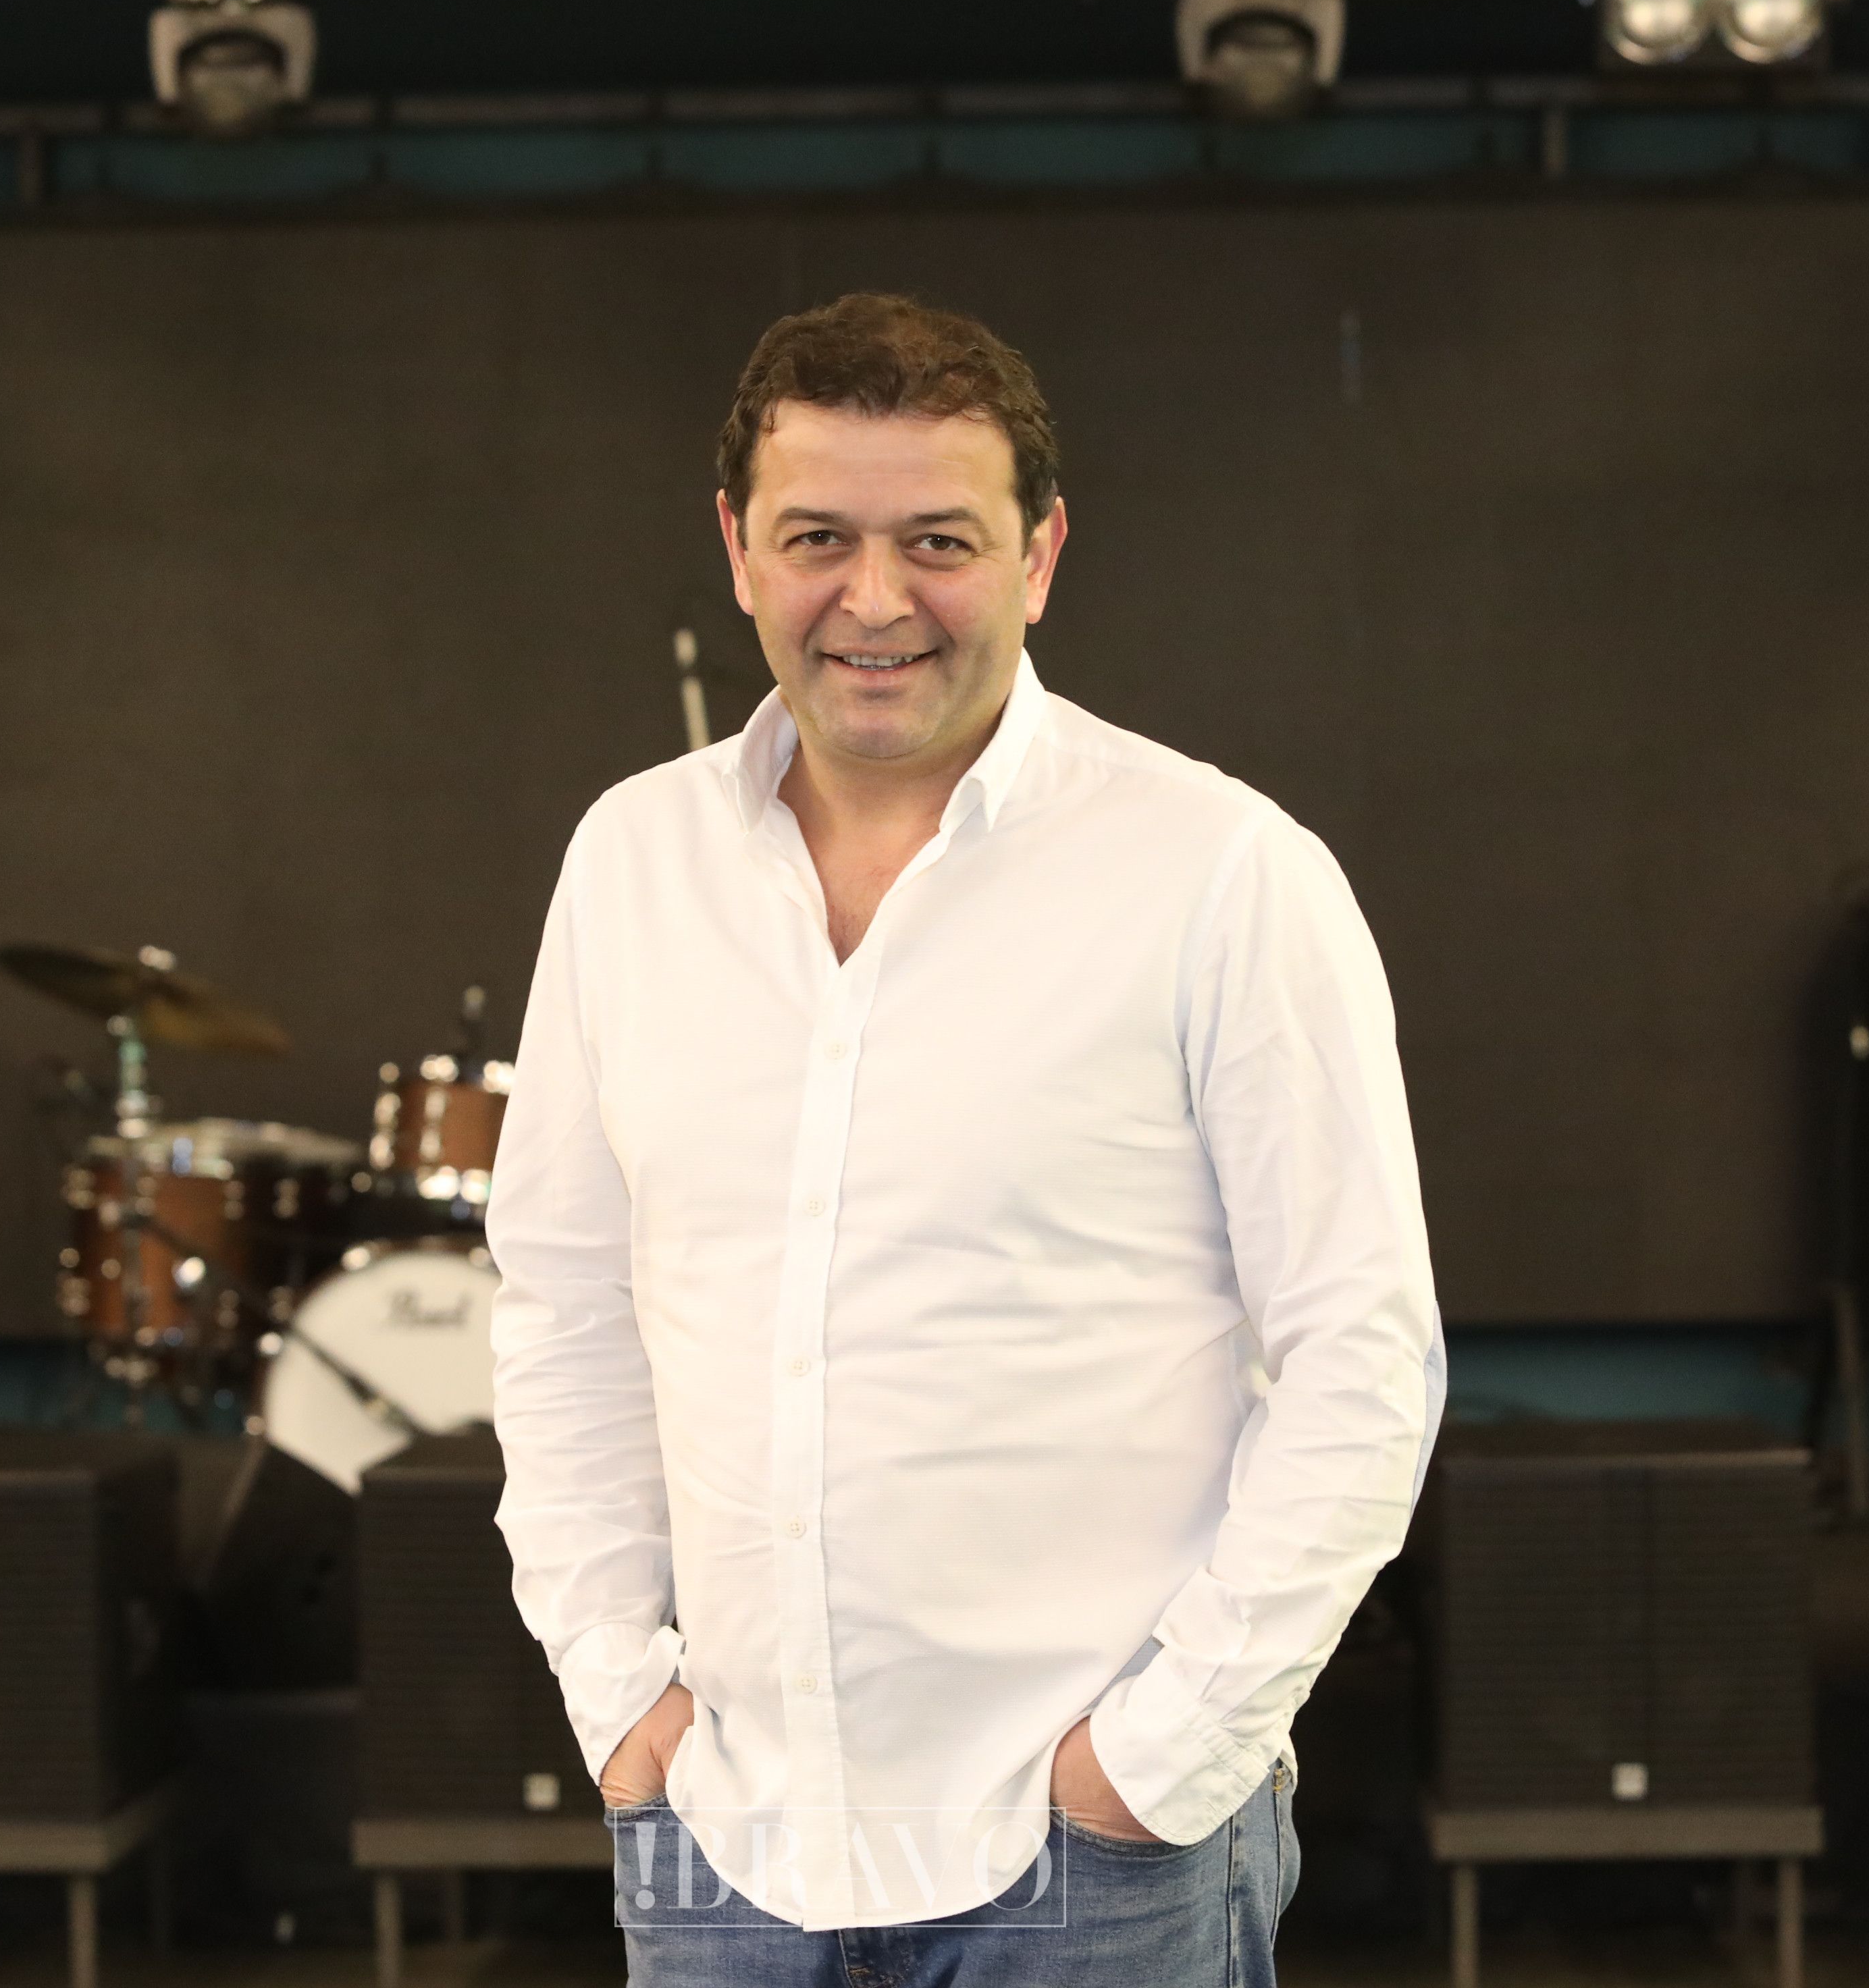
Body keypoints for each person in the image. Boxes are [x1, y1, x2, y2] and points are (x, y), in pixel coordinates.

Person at [485, 291, 1445, 1987]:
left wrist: (1155, 1764)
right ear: (737, 549)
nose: (876, 600)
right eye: (818, 539)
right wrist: (619, 1697)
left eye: (938, 540)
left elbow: (1364, 1359)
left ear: (1040, 554)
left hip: (1091, 1859)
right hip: (723, 1840)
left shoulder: (1224, 876)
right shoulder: (630, 865)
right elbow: (564, 1307)